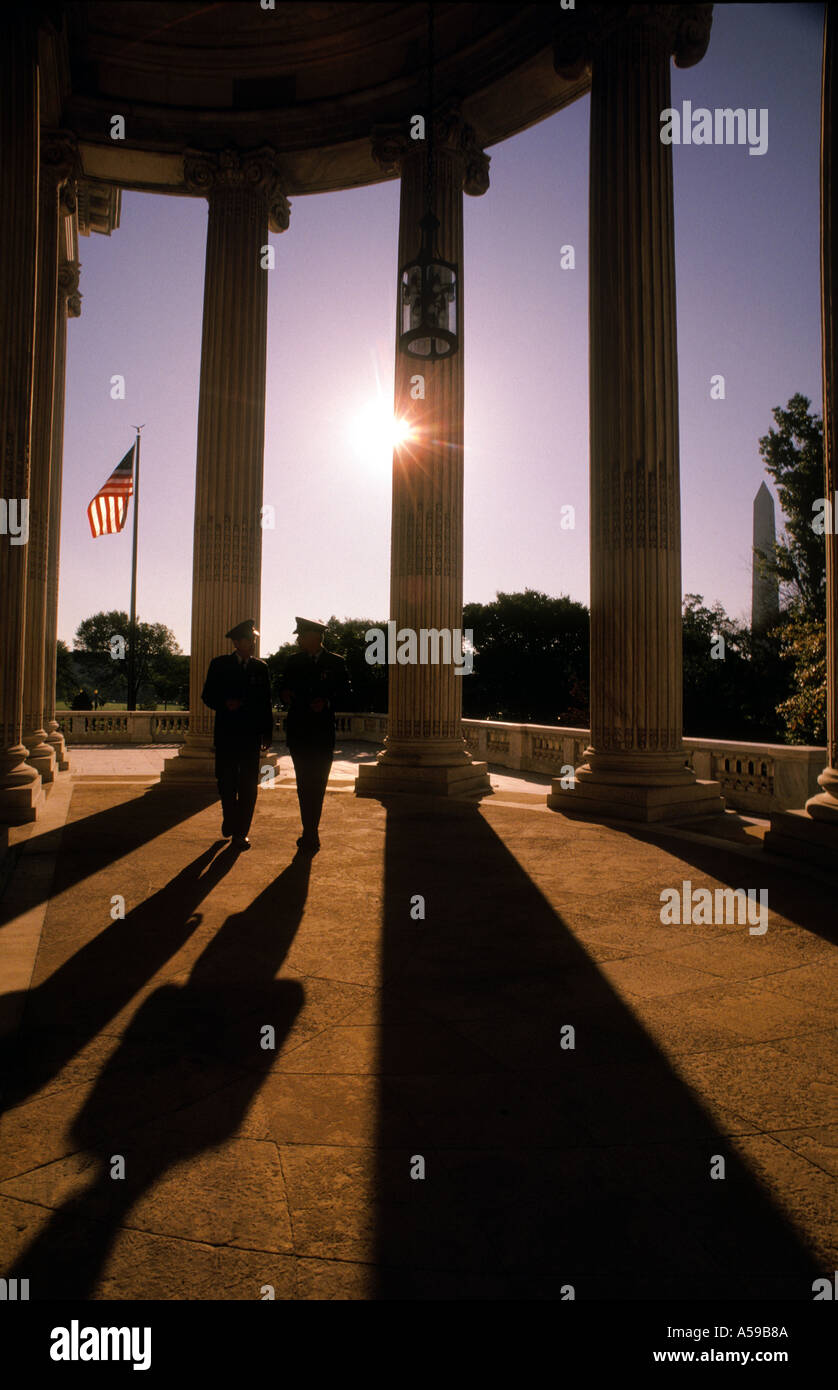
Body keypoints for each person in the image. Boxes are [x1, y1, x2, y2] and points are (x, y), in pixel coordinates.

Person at [278, 617, 351, 854]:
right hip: (299, 733)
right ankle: (309, 830)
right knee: (303, 785)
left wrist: (327, 702)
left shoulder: (336, 663)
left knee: (317, 784)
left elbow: (347, 694)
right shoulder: (293, 662)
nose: (298, 639)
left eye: (301, 635)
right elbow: (280, 689)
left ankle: (311, 830)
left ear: (315, 637)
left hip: (322, 734)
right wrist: (285, 695)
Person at [201, 618, 274, 851]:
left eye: (253, 639)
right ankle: (229, 817)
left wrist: (267, 733)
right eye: (248, 639)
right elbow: (207, 696)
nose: (252, 643)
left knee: (249, 785)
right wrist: (225, 703)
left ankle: (241, 833)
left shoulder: (261, 668)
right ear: (236, 642)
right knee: (226, 782)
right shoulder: (219, 665)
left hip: (251, 735)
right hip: (226, 733)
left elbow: (265, 703)